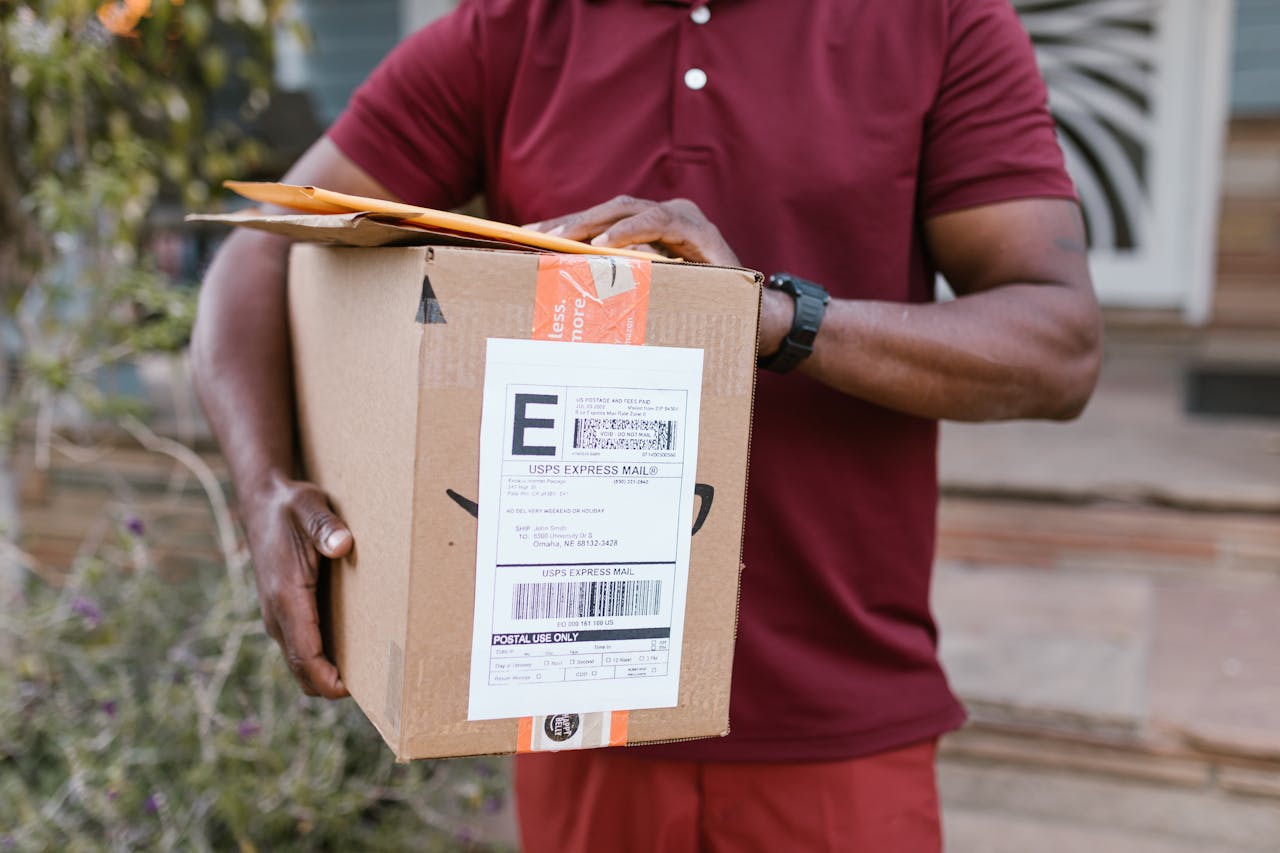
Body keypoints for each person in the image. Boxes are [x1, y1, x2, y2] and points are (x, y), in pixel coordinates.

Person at [191, 1, 1102, 850]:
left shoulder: (938, 21)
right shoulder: (512, 29)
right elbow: (260, 246)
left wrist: (770, 318)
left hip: (838, 726)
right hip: (573, 708)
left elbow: (1057, 345)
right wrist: (265, 484)